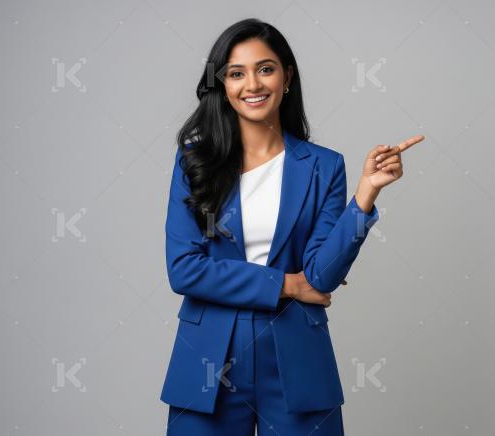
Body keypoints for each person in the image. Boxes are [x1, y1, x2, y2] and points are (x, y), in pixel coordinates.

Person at [160, 18, 423, 435]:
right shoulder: (195, 161)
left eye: (265, 69)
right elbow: (185, 269)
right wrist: (284, 284)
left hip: (297, 358)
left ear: (286, 77)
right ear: (223, 85)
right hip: (208, 360)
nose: (252, 84)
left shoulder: (324, 166)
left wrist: (365, 196)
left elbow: (321, 276)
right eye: (236, 73)